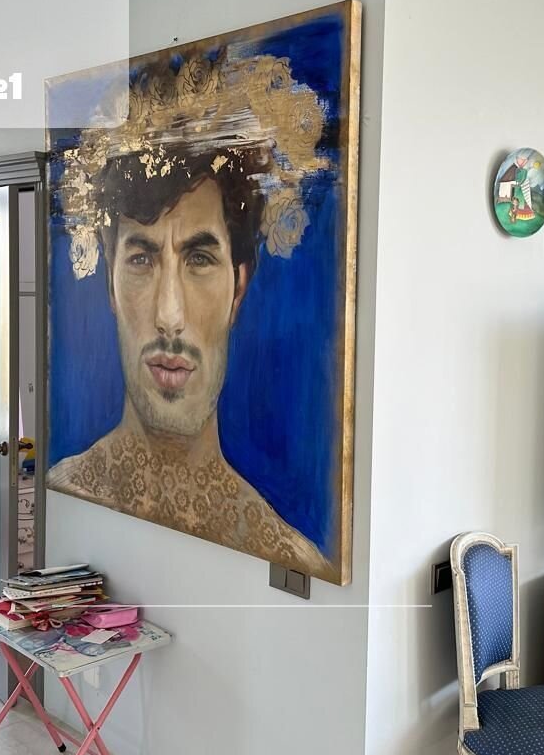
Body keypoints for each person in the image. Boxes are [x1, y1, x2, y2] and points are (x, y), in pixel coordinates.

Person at [48, 51, 331, 577]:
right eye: (141, 259)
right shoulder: (60, 491)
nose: (169, 316)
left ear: (239, 287)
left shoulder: (291, 556)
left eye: (199, 259)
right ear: (110, 283)